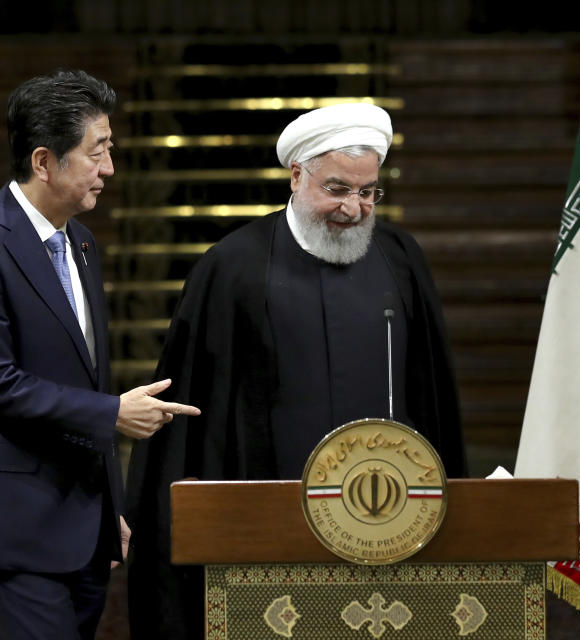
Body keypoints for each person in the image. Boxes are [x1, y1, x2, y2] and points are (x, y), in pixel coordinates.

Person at [125, 102, 466, 639]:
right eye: (337, 189)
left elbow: (431, 391)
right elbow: (195, 417)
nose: (353, 209)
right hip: (268, 531)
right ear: (296, 175)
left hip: (389, 521)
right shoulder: (233, 266)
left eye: (367, 192)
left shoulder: (399, 258)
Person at [0, 69, 200, 640]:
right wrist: (112, 414)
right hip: (13, 528)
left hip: (83, 527)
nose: (108, 168)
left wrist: (109, 510)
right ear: (43, 161)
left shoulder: (81, 242)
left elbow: (86, 375)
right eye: (96, 152)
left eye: (111, 150)